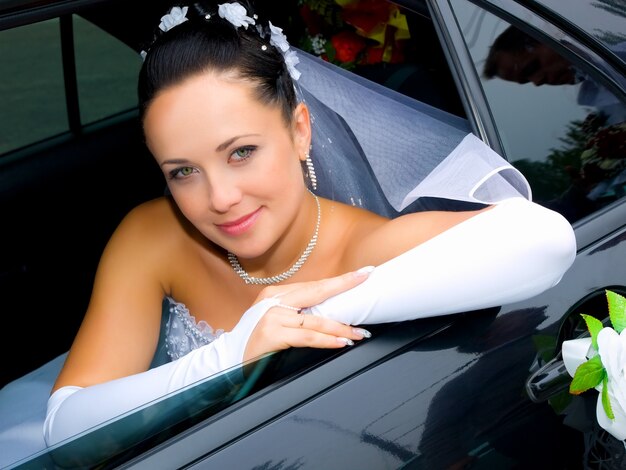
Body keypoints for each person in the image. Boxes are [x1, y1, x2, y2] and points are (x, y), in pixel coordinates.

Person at [42, 1, 576, 453]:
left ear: (300, 131)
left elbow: (546, 239)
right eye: (183, 171)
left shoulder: (366, 246)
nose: (221, 199)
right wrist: (233, 353)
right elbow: (64, 431)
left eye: (242, 152)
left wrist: (308, 314)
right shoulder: (152, 235)